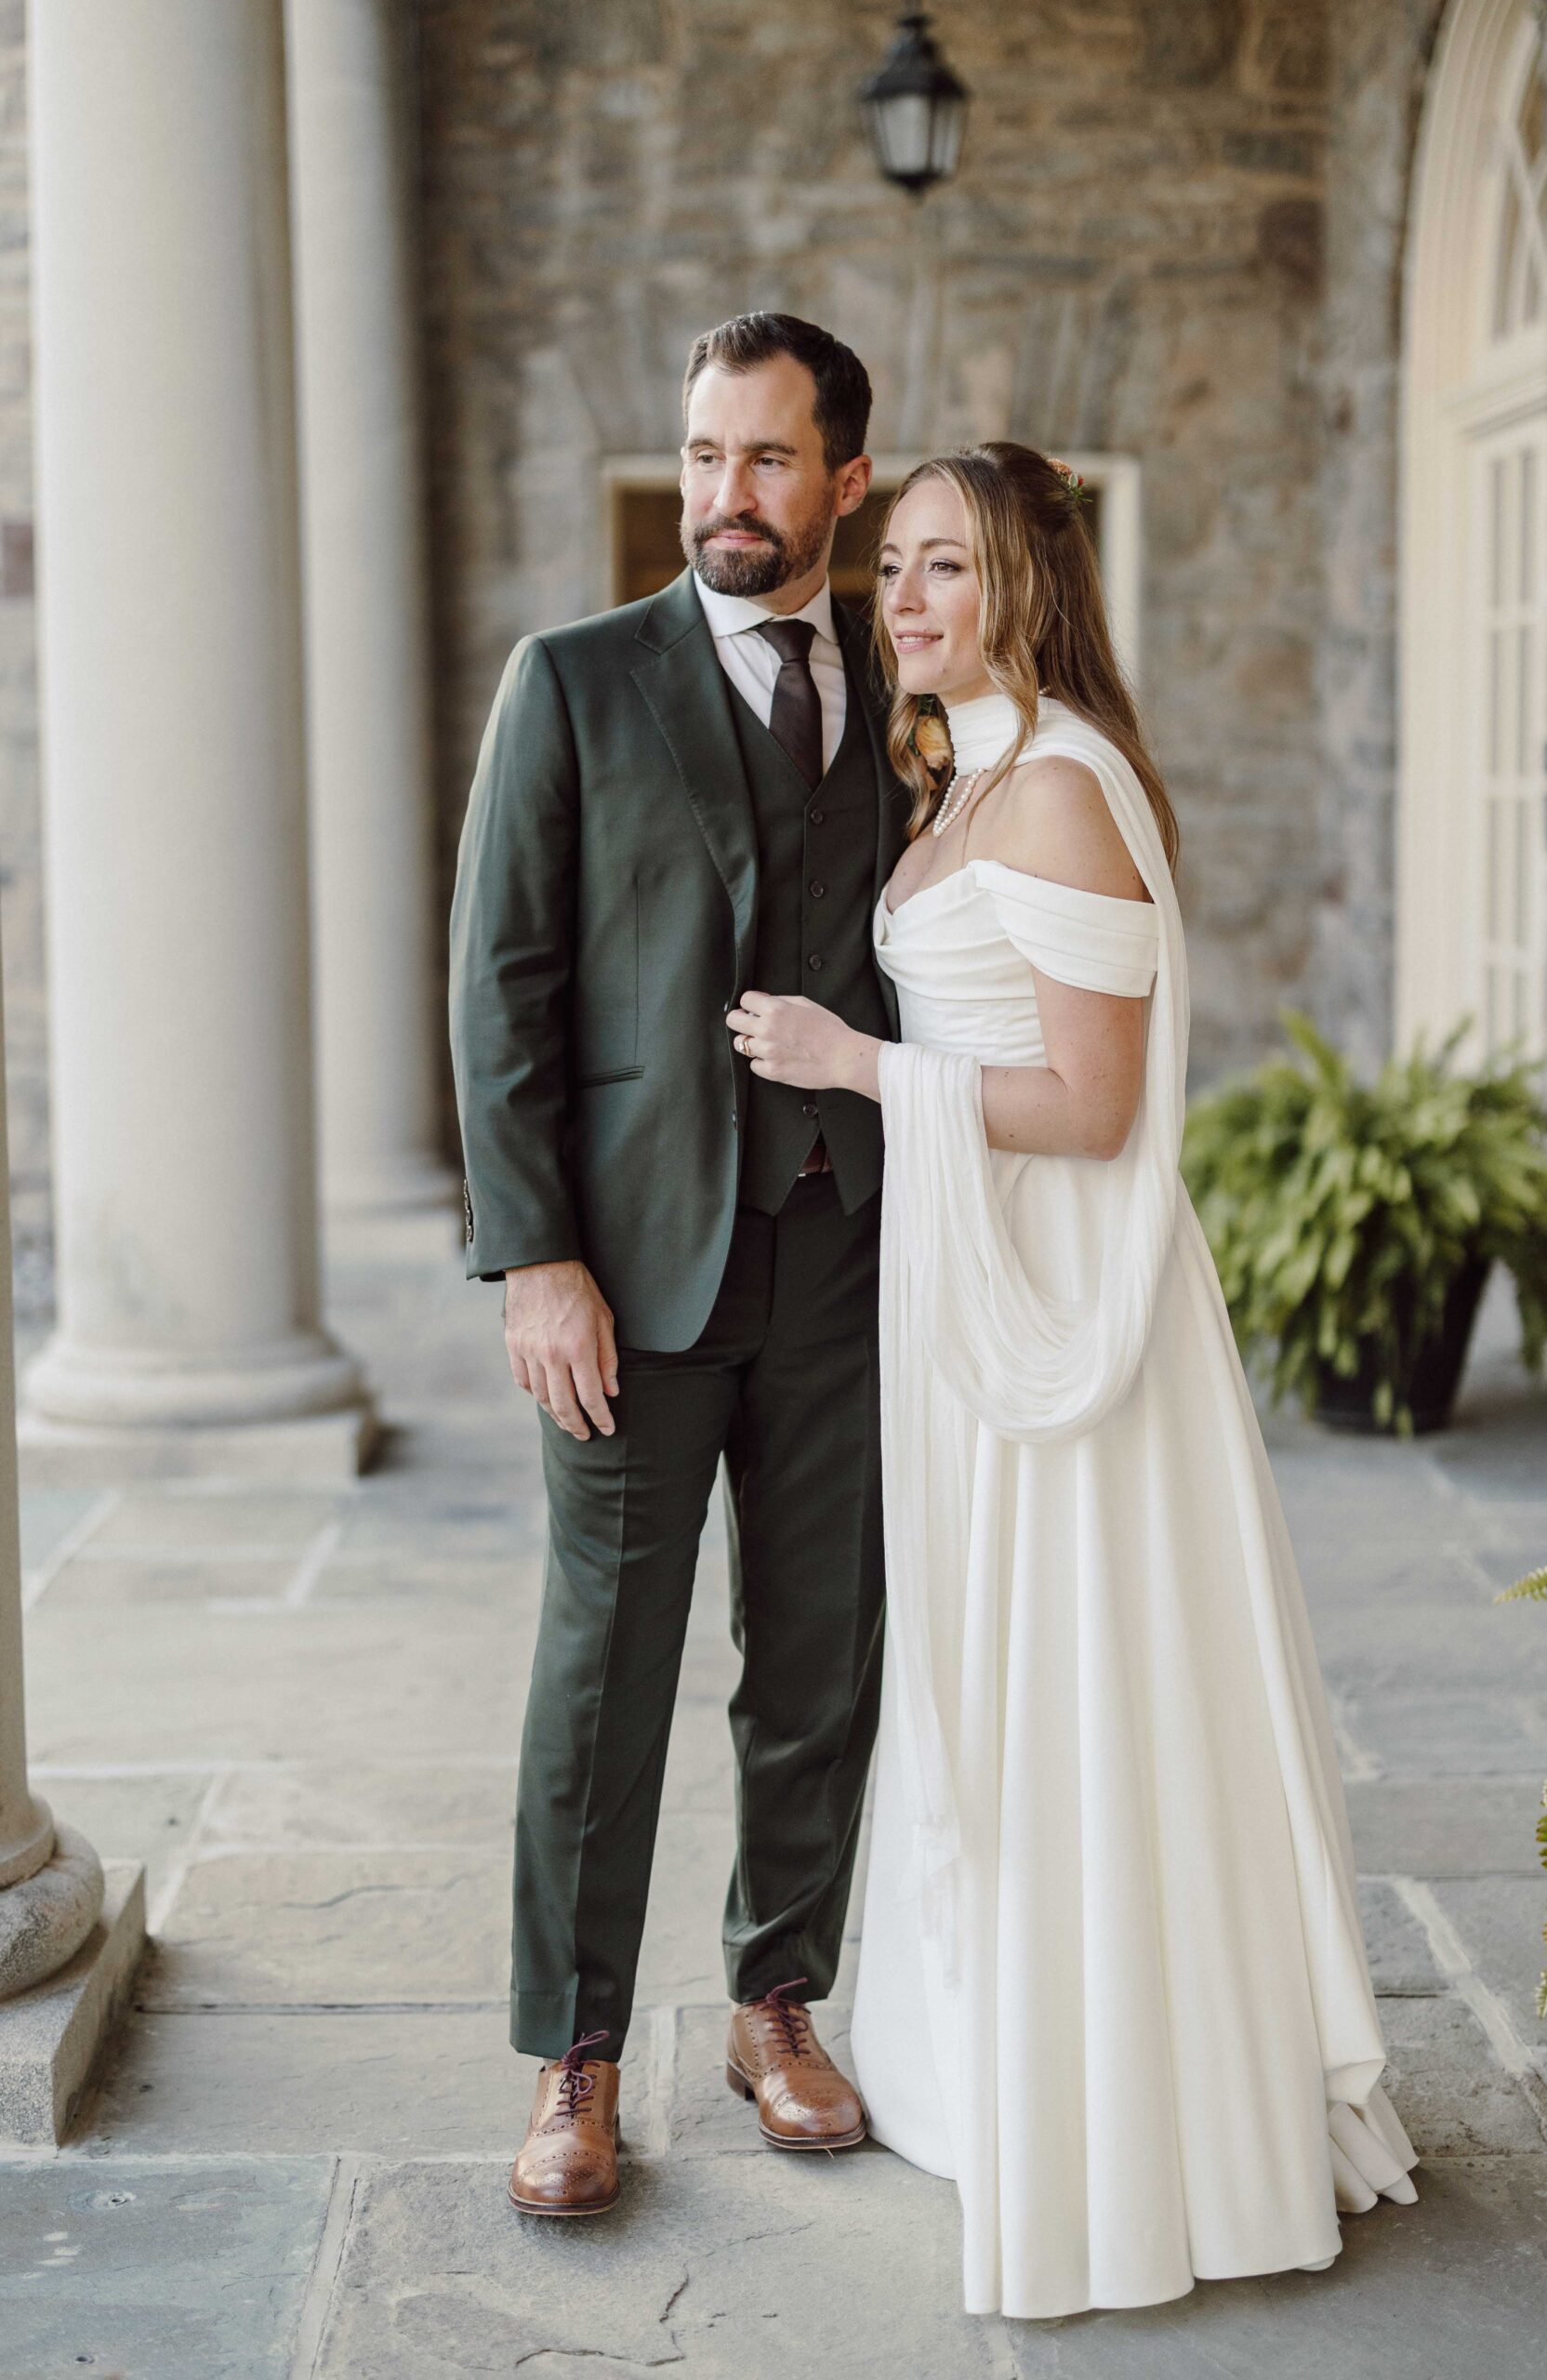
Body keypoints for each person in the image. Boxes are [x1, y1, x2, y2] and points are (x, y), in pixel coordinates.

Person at [724, 442, 1419, 2317]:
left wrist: (847, 1061)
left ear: (1029, 581)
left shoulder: (1060, 790)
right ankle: (983, 2058)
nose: (910, 599)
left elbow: (1096, 1104)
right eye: (894, 571)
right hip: (965, 1287)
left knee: (1076, 1672)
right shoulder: (965, 772)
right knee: (985, 1674)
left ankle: (1133, 2117)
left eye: (947, 567)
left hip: (1058, 1311)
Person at [448, 313, 905, 2217]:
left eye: (767, 460)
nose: (726, 492)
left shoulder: (912, 680)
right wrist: (535, 1253)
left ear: (844, 481)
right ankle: (576, 2047)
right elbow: (501, 984)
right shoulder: (571, 680)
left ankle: (774, 1995)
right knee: (605, 1665)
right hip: (626, 1275)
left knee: (815, 1652)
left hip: (849, 1256)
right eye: (706, 454)